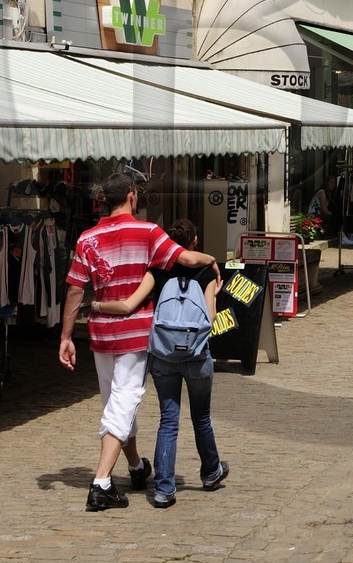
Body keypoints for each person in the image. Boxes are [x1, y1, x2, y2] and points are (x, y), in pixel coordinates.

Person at [59, 173, 220, 512]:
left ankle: (135, 466)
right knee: (124, 402)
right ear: (132, 196)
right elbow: (186, 259)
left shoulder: (88, 238)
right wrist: (212, 261)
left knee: (116, 404)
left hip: (101, 334)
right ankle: (101, 483)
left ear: (105, 200)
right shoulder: (148, 232)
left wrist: (66, 336)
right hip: (134, 334)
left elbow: (75, 289)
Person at [92, 219, 229, 509]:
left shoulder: (158, 270)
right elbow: (210, 318)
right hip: (196, 355)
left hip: (164, 356)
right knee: (201, 417)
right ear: (194, 241)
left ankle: (164, 489)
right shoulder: (206, 272)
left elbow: (129, 305)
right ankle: (210, 472)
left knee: (168, 420)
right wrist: (214, 295)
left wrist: (97, 306)